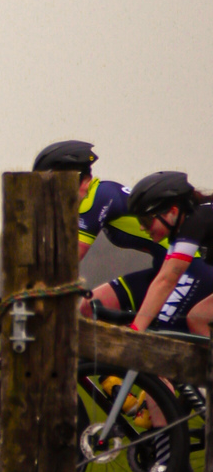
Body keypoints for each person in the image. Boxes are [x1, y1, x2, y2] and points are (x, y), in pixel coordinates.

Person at [31, 140, 175, 323]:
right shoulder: (98, 193)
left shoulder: (94, 198)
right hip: (165, 267)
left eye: (52, 188)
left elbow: (68, 260)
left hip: (186, 266)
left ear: (74, 179)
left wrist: (26, 292)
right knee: (89, 308)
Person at [121, 173, 213, 344]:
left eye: (147, 220)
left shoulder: (197, 221)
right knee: (198, 318)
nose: (142, 227)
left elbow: (168, 280)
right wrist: (138, 324)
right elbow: (162, 278)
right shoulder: (186, 227)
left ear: (173, 212)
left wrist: (135, 330)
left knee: (198, 318)